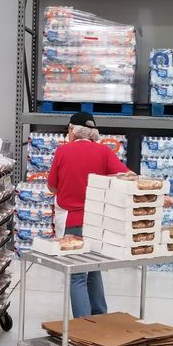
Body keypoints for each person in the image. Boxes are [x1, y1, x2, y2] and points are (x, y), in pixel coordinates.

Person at [47, 111, 130, 319]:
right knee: (94, 269)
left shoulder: (63, 152)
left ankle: (82, 326)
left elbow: (52, 187)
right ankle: (100, 318)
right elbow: (127, 176)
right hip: (97, 222)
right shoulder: (104, 151)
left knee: (77, 276)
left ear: (72, 131)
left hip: (72, 222)